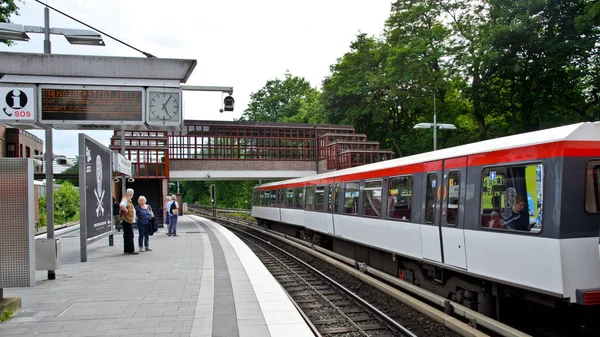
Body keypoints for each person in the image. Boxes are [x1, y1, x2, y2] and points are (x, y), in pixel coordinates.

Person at [119, 188, 138, 255]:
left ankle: (128, 250)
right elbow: (121, 205)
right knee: (129, 235)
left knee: (129, 235)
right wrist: (126, 210)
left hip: (129, 220)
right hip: (127, 220)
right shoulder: (125, 199)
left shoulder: (128, 200)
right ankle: (130, 250)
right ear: (131, 194)